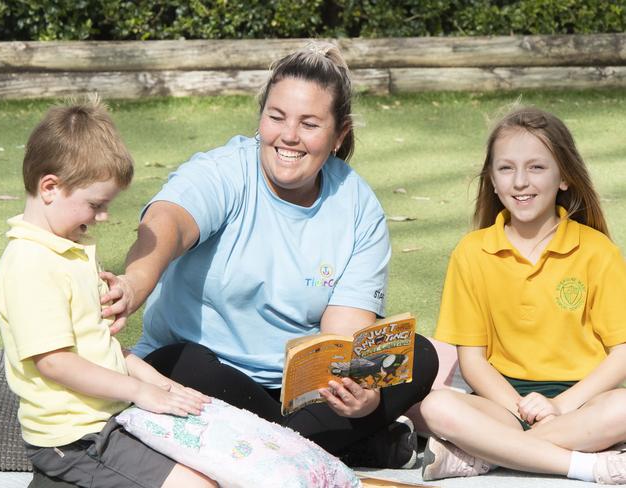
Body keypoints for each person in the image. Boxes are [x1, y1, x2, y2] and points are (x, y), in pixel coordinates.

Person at [102, 41, 439, 469]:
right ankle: (344, 447)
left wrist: (361, 397)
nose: (288, 136)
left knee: (419, 356)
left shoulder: (358, 206)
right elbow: (170, 223)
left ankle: (288, 447)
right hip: (208, 378)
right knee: (179, 363)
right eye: (276, 117)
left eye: (310, 124)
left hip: (299, 395)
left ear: (339, 135)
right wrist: (134, 284)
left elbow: (342, 340)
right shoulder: (222, 170)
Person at [0, 99, 216, 488]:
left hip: (104, 422)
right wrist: (140, 391)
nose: (102, 217)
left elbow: (101, 346)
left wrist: (159, 383)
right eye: (95, 205)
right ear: (50, 187)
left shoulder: (69, 254)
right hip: (75, 439)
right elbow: (56, 363)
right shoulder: (30, 264)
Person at [419, 107, 626, 484]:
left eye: (536, 167)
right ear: (493, 182)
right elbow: (473, 360)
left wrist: (559, 406)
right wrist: (521, 408)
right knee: (435, 406)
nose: (519, 182)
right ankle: (586, 463)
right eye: (506, 169)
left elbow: (622, 353)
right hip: (504, 402)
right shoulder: (471, 252)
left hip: (581, 402)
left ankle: (486, 454)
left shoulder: (598, 252)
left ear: (563, 176)